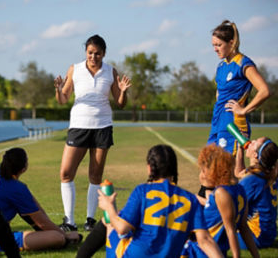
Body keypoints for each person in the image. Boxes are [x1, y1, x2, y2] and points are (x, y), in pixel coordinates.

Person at [78, 145, 223, 258]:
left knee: (109, 222)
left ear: (149, 168)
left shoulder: (142, 191)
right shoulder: (191, 199)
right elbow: (205, 241)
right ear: (174, 169)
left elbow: (122, 228)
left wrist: (109, 207)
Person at [54, 34, 131, 231]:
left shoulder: (110, 71)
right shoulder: (75, 69)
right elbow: (63, 99)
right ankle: (69, 221)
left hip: (102, 127)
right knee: (65, 173)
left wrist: (123, 91)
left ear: (104, 53)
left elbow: (120, 104)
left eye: (97, 53)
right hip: (78, 126)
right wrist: (59, 90)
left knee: (95, 175)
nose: (93, 57)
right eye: (90, 53)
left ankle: (90, 220)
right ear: (85, 52)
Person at [0, 147, 81, 255]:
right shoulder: (17, 188)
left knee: (28, 197)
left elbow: (37, 212)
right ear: (23, 168)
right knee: (57, 238)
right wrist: (65, 235)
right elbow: (42, 222)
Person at [182, 144, 259, 258]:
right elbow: (243, 227)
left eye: (203, 171)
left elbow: (230, 229)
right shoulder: (240, 190)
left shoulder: (221, 193)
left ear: (214, 171)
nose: (201, 175)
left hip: (200, 250)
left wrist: (236, 256)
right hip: (214, 250)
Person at [207, 20, 270, 155]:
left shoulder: (243, 63)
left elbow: (265, 90)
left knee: (230, 172)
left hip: (232, 124)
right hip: (217, 122)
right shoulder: (221, 66)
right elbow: (220, 93)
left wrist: (244, 110)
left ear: (231, 43)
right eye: (213, 45)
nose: (215, 49)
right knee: (207, 170)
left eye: (219, 45)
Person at [235, 137, 278, 249]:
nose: (251, 141)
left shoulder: (253, 180)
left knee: (211, 233)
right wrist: (240, 150)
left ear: (255, 155)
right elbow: (240, 174)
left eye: (254, 143)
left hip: (257, 237)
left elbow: (231, 204)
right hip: (269, 234)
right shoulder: (268, 174)